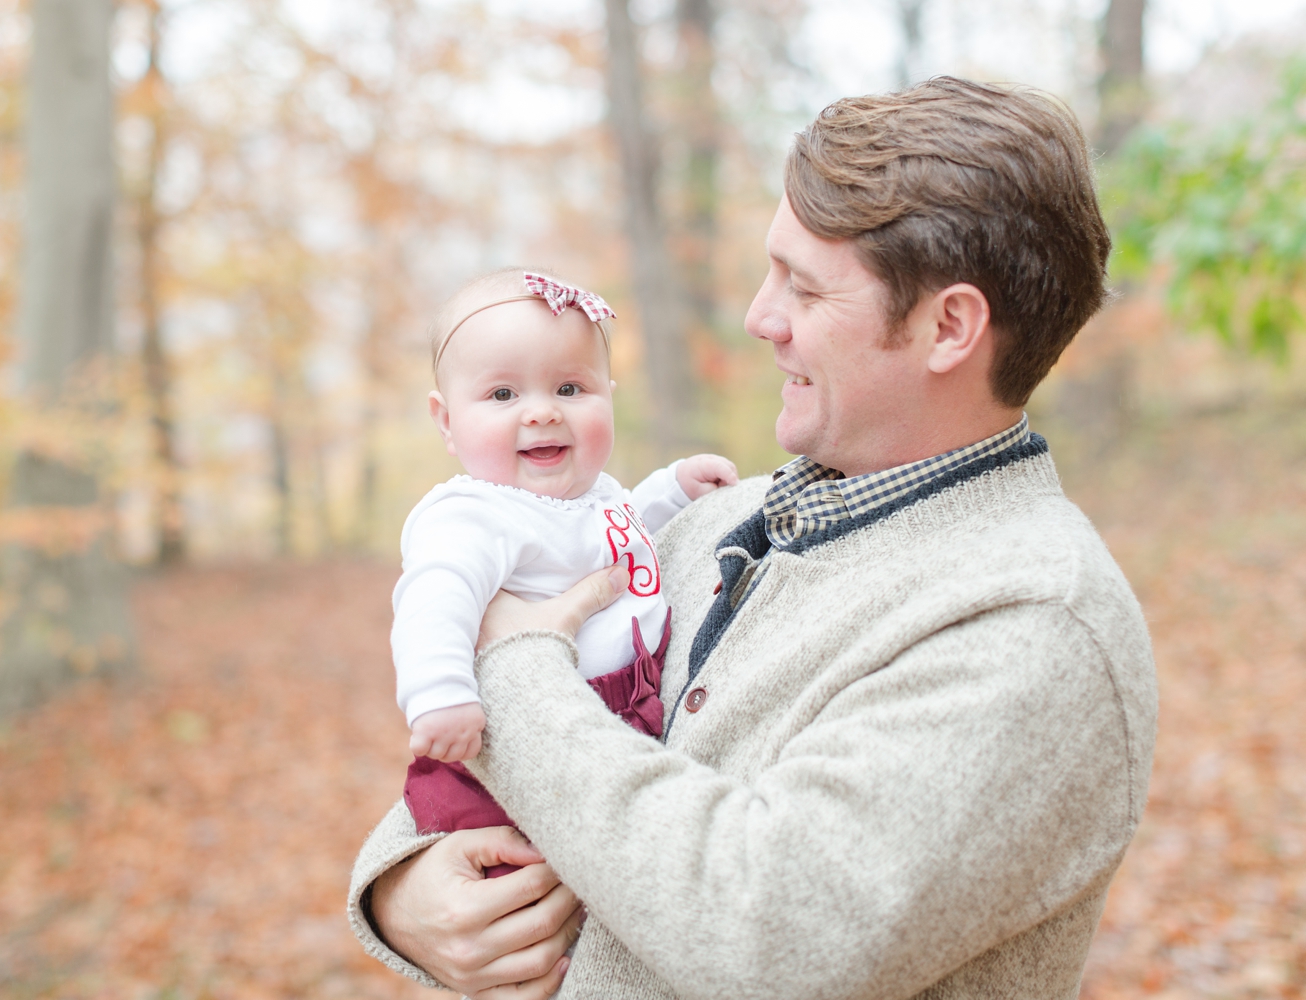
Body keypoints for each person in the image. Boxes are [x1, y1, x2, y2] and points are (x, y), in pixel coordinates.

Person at [347, 77, 1158, 1000]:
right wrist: (400, 893)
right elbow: (501, 753)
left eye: (803, 288)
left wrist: (514, 661)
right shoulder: (719, 515)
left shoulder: (1034, 625)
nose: (758, 317)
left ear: (949, 326)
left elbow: (769, 937)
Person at [397, 267, 738, 861]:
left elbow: (617, 530)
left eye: (570, 390)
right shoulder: (473, 515)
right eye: (503, 395)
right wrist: (440, 692)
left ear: (609, 393)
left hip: (629, 708)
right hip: (525, 735)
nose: (541, 413)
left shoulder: (592, 494)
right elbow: (434, 598)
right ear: (447, 421)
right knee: (516, 866)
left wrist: (674, 490)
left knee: (617, 862)